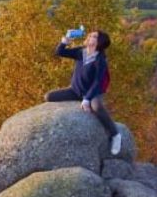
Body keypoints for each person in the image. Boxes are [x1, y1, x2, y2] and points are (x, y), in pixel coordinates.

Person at [46, 28, 123, 157]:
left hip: (92, 93)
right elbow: (59, 52)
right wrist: (65, 41)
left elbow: (97, 81)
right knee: (49, 96)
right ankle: (81, 100)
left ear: (99, 42)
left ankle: (115, 135)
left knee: (96, 106)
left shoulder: (100, 60)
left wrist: (87, 99)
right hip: (75, 91)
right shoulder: (80, 52)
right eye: (90, 35)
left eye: (93, 36)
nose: (89, 36)